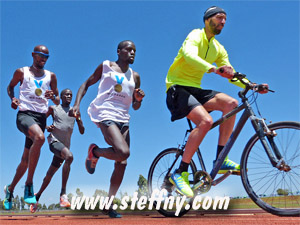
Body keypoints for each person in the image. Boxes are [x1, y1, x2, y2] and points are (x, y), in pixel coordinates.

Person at [165, 6, 269, 198]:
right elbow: (189, 55)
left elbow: (231, 73)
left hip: (195, 90)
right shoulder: (196, 35)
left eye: (225, 19)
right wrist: (213, 69)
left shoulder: (218, 48)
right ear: (207, 19)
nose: (223, 22)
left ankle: (221, 160)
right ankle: (180, 172)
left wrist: (252, 85)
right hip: (177, 88)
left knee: (230, 104)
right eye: (220, 17)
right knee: (205, 122)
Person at [70, 40, 145, 218]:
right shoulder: (106, 66)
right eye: (128, 49)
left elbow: (135, 107)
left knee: (122, 163)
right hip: (105, 113)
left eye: (135, 50)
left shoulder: (135, 76)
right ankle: (95, 152)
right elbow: (86, 84)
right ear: (119, 51)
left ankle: (108, 204)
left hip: (124, 119)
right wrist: (77, 104)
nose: (132, 52)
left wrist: (138, 99)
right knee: (123, 152)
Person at [4, 45, 59, 210]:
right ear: (33, 55)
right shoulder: (21, 72)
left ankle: (10, 188)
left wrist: (53, 96)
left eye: (46, 57)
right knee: (40, 138)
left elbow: (56, 101)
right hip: (24, 116)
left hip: (41, 118)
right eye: (41, 55)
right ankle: (29, 184)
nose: (43, 59)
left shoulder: (51, 76)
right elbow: (10, 86)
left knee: (25, 160)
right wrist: (13, 99)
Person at [30, 88, 85, 213]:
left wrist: (79, 119)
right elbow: (40, 120)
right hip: (54, 142)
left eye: (71, 95)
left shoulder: (74, 111)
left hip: (64, 147)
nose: (69, 96)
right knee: (70, 157)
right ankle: (63, 194)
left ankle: (36, 197)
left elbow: (82, 131)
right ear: (61, 96)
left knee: (49, 174)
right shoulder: (54, 109)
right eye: (66, 94)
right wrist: (46, 127)